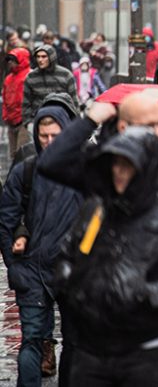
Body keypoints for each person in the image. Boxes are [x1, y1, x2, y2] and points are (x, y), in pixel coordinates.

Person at [37, 95, 158, 379]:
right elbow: (52, 162)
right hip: (101, 327)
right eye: (148, 125)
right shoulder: (109, 164)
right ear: (125, 128)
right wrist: (90, 121)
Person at [0, 101, 79, 387]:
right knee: (32, 340)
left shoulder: (81, 171)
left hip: (72, 271)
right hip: (32, 270)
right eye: (44, 136)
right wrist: (14, 264)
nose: (49, 142)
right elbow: (6, 220)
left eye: (55, 136)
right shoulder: (26, 171)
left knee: (74, 342)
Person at [21, 44, 76, 128]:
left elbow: (74, 102)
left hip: (62, 121)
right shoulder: (31, 77)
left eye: (44, 57)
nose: (40, 60)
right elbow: (26, 103)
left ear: (51, 57)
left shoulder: (66, 75)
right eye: (38, 57)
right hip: (38, 121)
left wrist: (76, 124)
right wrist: (28, 123)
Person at [4, 47, 31, 157]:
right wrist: (6, 116)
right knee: (13, 155)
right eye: (9, 60)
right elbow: (5, 98)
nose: (10, 62)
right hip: (11, 121)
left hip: (24, 121)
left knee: (22, 154)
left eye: (13, 59)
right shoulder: (8, 78)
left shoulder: (29, 76)